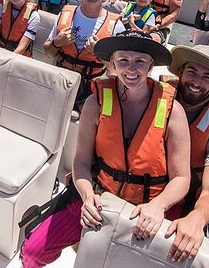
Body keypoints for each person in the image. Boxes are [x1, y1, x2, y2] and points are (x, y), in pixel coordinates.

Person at [20, 31, 191, 268]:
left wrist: (158, 206)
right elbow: (80, 163)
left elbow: (182, 178)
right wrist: (88, 196)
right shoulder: (95, 102)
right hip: (100, 198)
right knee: (32, 252)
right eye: (123, 60)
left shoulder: (173, 110)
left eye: (140, 61)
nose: (131, 69)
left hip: (147, 211)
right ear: (112, 64)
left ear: (151, 65)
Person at [163, 45, 209, 262]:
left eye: (207, 77)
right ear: (181, 73)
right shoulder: (152, 96)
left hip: (179, 204)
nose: (196, 82)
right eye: (192, 72)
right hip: (135, 185)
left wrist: (197, 217)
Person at [43, 0, 124, 107]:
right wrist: (56, 43)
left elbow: (118, 70)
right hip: (61, 81)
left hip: (91, 90)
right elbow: (48, 52)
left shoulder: (116, 26)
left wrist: (100, 53)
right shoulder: (64, 15)